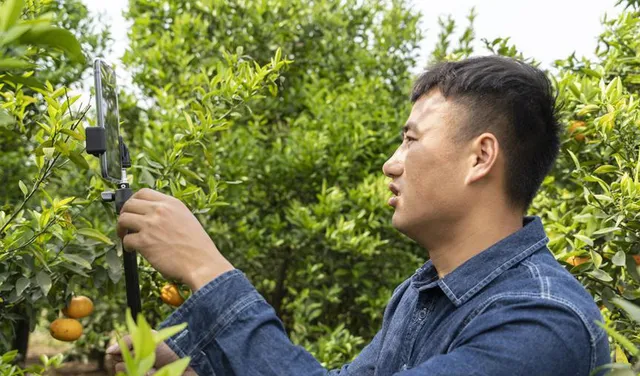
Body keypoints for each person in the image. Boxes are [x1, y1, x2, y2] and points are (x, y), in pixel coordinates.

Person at [107, 56, 611, 375]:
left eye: (411, 139)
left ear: (480, 157)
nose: (392, 163)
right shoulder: (422, 294)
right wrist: (201, 365)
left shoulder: (541, 321)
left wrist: (206, 268)